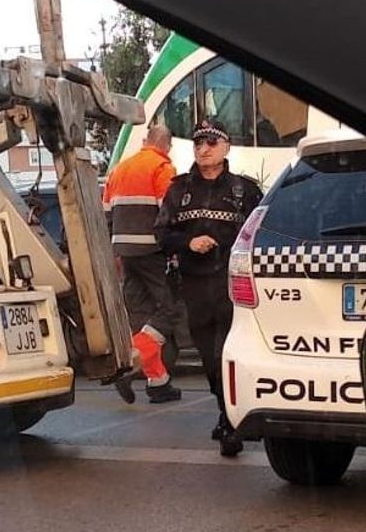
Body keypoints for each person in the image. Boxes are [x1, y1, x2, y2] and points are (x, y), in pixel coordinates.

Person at [158, 119, 262, 456]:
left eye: (211, 143)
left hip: (232, 287)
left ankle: (231, 421)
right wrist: (189, 242)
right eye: (198, 143)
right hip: (195, 285)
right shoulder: (178, 191)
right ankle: (225, 411)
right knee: (208, 358)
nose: (203, 149)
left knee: (228, 355)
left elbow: (261, 235)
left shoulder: (245, 191)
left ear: (226, 147)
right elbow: (161, 236)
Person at [102, 124, 181, 403]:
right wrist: (175, 248)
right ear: (167, 146)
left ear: (146, 140)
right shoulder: (162, 168)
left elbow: (107, 214)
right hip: (151, 250)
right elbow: (168, 214)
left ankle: (158, 383)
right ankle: (127, 364)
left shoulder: (120, 169)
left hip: (124, 251)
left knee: (141, 314)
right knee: (168, 311)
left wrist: (116, 252)